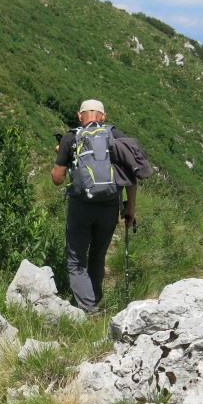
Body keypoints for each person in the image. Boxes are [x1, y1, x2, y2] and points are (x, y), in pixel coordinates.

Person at [51, 99, 137, 315]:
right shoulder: (115, 135)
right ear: (103, 116)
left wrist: (61, 153)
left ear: (80, 116)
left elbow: (57, 179)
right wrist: (130, 208)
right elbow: (131, 175)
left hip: (81, 206)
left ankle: (89, 309)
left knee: (76, 258)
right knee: (98, 255)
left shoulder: (72, 137)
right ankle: (95, 301)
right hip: (109, 206)